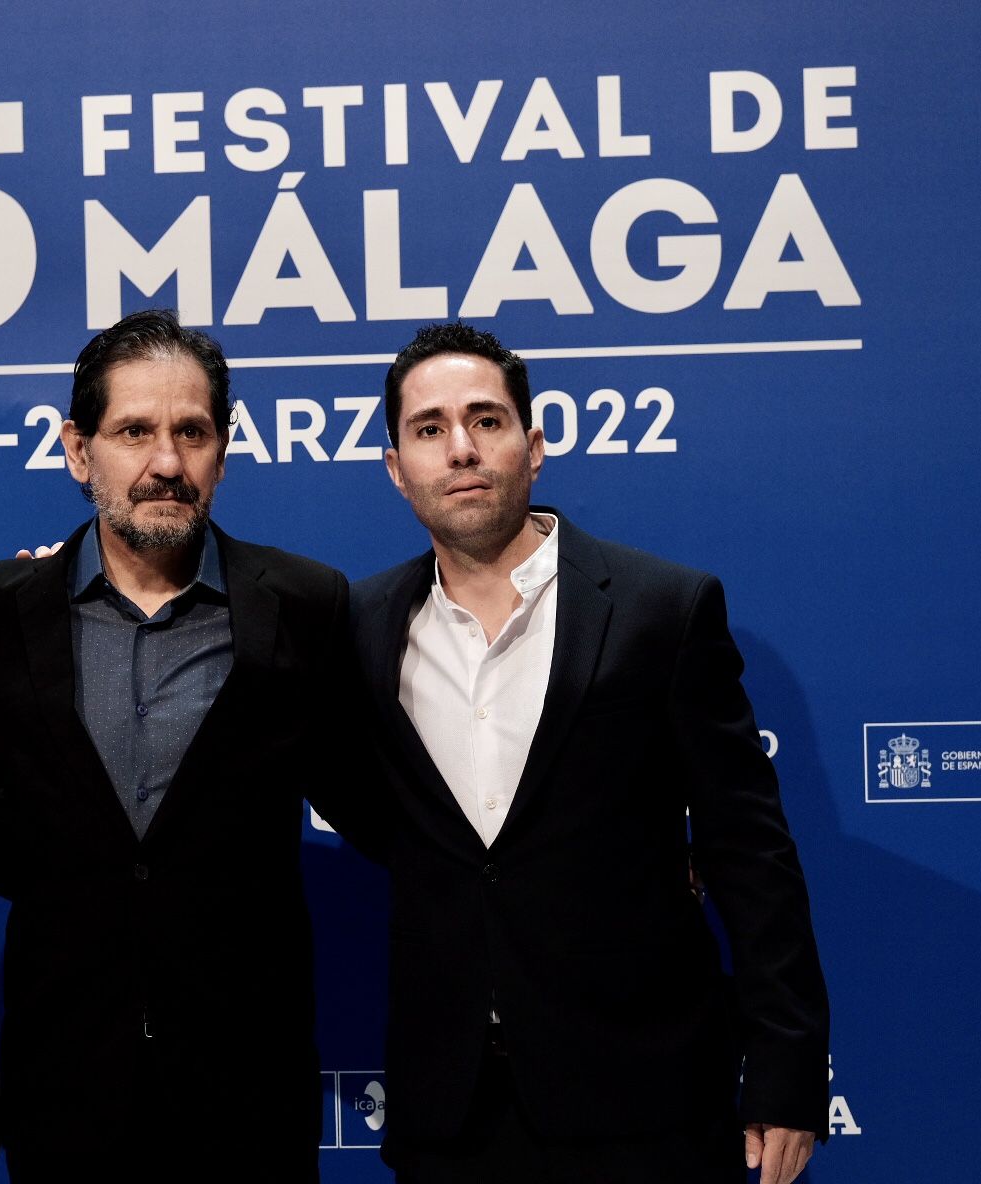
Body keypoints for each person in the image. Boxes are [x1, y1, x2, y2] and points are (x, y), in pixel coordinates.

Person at [351, 322, 828, 1184]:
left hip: (646, 1100)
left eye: (485, 421)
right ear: (396, 467)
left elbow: (749, 852)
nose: (460, 449)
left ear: (533, 447)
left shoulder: (661, 608)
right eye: (429, 430)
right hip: (451, 1113)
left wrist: (788, 1068)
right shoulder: (359, 625)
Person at [0, 308, 375, 1182]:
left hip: (247, 1084)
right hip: (61, 1074)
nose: (167, 464)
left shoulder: (305, 603)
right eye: (134, 431)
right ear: (79, 451)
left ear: (223, 447)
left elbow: (380, 801)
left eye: (192, 432)